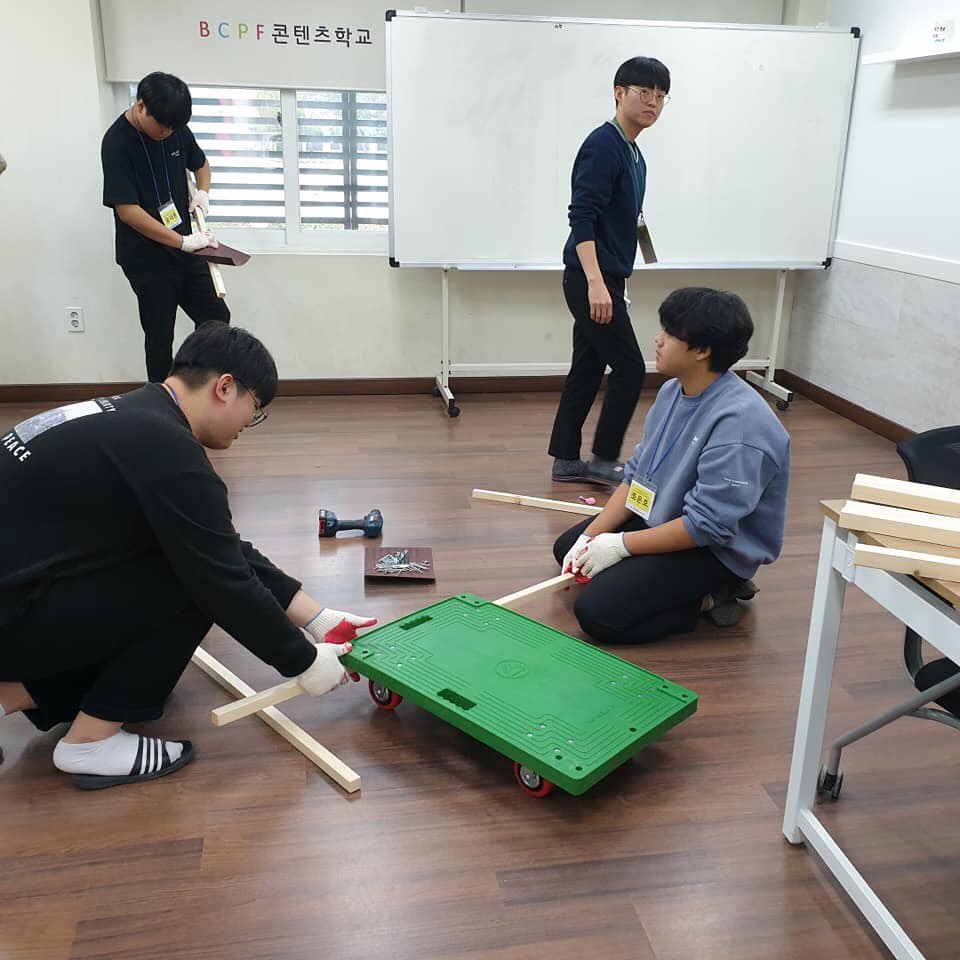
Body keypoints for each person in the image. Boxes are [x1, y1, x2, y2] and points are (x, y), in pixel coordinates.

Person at [0, 324, 373, 789]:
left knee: (184, 558)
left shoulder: (134, 416)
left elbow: (217, 543)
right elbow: (222, 580)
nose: (248, 424)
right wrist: (304, 662)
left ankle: (13, 693)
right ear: (225, 387)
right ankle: (90, 744)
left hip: (19, 597)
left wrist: (316, 618)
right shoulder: (168, 452)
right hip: (14, 615)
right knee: (189, 582)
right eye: (255, 408)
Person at [553, 287, 790, 643]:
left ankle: (714, 596)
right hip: (667, 516)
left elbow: (707, 526)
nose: (658, 340)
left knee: (598, 614)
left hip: (714, 549)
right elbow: (637, 476)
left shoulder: (740, 425)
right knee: (568, 550)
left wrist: (620, 546)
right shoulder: (672, 392)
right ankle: (649, 576)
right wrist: (593, 536)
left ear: (702, 350)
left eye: (670, 333)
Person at [549, 56, 670, 488]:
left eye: (661, 95)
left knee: (586, 369)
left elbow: (628, 219)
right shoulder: (603, 145)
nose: (653, 102)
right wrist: (597, 284)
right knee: (631, 368)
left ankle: (565, 459)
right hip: (590, 278)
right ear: (619, 93)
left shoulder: (633, 153)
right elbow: (581, 218)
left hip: (606, 277)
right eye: (644, 92)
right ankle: (603, 459)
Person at [101, 71, 229, 383]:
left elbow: (201, 164)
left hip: (186, 245)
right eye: (163, 126)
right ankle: (162, 402)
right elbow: (128, 211)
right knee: (160, 335)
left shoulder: (174, 128)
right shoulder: (117, 142)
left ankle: (198, 388)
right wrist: (181, 241)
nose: (168, 132)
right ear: (141, 107)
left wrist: (202, 194)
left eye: (174, 127)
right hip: (146, 256)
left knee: (216, 318)